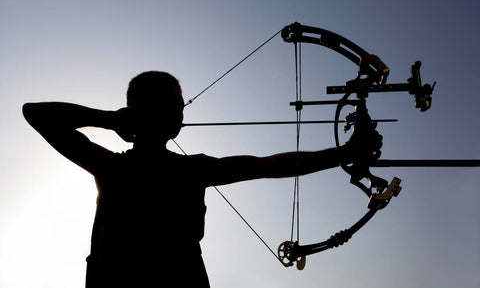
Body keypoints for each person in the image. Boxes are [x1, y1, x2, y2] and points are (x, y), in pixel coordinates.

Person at [22, 71, 382, 287]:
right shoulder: (116, 167)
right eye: (173, 104)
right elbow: (36, 114)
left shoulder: (188, 169)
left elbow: (268, 165)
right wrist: (114, 119)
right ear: (142, 108)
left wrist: (346, 153)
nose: (181, 112)